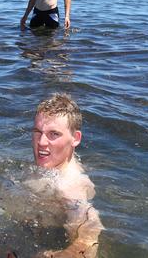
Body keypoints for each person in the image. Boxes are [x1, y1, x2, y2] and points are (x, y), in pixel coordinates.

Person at [28, 93, 103, 257]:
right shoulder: (55, 163)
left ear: (75, 138)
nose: (41, 142)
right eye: (37, 131)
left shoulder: (69, 185)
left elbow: (90, 233)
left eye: (53, 134)